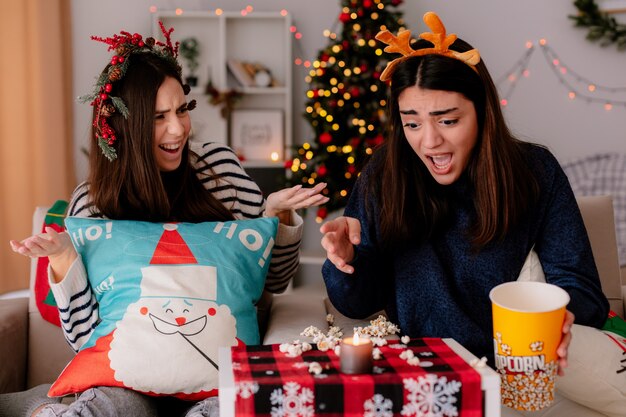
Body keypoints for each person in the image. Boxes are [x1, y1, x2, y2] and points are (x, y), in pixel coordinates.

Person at [2, 23, 327, 417]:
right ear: (125, 126)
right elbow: (88, 337)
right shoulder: (92, 204)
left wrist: (279, 218)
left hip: (214, 381)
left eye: (182, 109)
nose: (178, 129)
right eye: (158, 117)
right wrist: (64, 260)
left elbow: (273, 282)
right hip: (126, 384)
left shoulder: (220, 171)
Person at [320, 10, 609, 409]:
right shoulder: (385, 173)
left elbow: (585, 293)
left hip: (514, 376)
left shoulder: (535, 172)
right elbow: (357, 304)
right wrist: (346, 260)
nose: (430, 141)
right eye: (412, 123)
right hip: (419, 374)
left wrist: (559, 316)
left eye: (448, 120)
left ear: (483, 112)